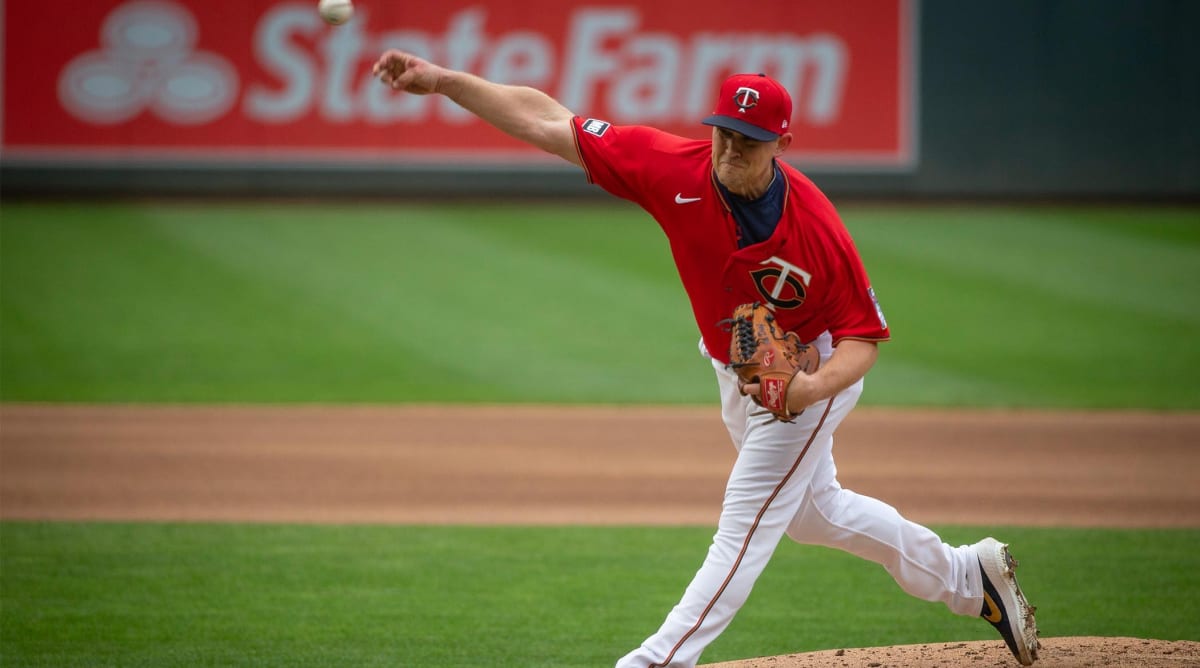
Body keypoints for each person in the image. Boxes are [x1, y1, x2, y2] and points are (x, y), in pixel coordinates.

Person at [371, 50, 1040, 667]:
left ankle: (656, 660)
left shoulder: (816, 230)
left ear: (781, 145)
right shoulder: (672, 168)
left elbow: (864, 337)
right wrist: (446, 81)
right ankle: (967, 576)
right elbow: (550, 121)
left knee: (744, 526)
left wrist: (810, 391)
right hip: (737, 369)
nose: (730, 148)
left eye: (748, 140)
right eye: (723, 132)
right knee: (814, 514)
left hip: (810, 373)